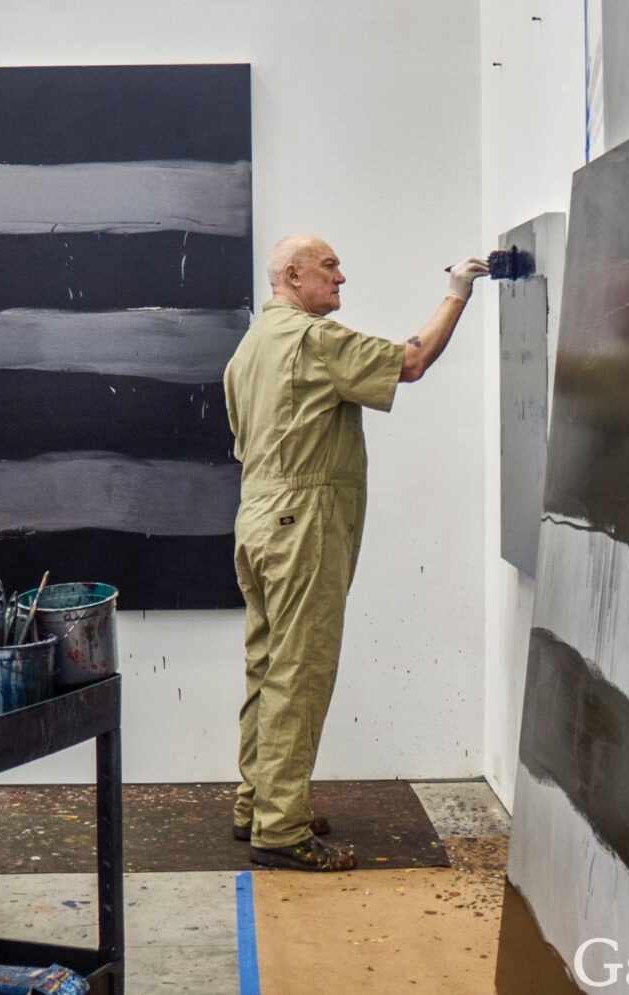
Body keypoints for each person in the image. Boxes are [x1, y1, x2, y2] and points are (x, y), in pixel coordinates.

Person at [223, 235, 487, 871]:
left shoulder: (251, 345)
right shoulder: (312, 341)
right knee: (300, 670)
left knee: (267, 663)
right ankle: (281, 829)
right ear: (293, 276)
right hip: (300, 524)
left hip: (257, 519)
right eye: (329, 268)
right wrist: (457, 293)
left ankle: (257, 800)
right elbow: (413, 360)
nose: (342, 278)